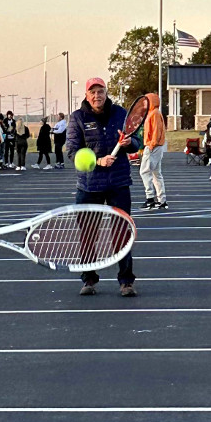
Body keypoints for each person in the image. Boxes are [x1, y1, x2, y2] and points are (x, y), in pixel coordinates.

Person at [66, 77, 139, 297]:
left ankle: (126, 282)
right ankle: (89, 279)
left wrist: (129, 144)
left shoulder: (120, 113)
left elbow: (137, 142)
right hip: (89, 186)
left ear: (106, 92)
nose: (97, 96)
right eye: (93, 92)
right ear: (87, 95)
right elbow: (72, 151)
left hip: (118, 184)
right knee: (88, 234)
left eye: (101, 91)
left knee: (121, 234)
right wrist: (98, 161)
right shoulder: (78, 118)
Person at [138, 93, 167, 211]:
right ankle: (162, 200)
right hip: (157, 146)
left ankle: (150, 199)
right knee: (156, 173)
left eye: (146, 101)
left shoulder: (154, 114)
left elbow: (155, 130)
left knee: (144, 172)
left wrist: (151, 145)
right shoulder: (154, 113)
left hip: (153, 146)